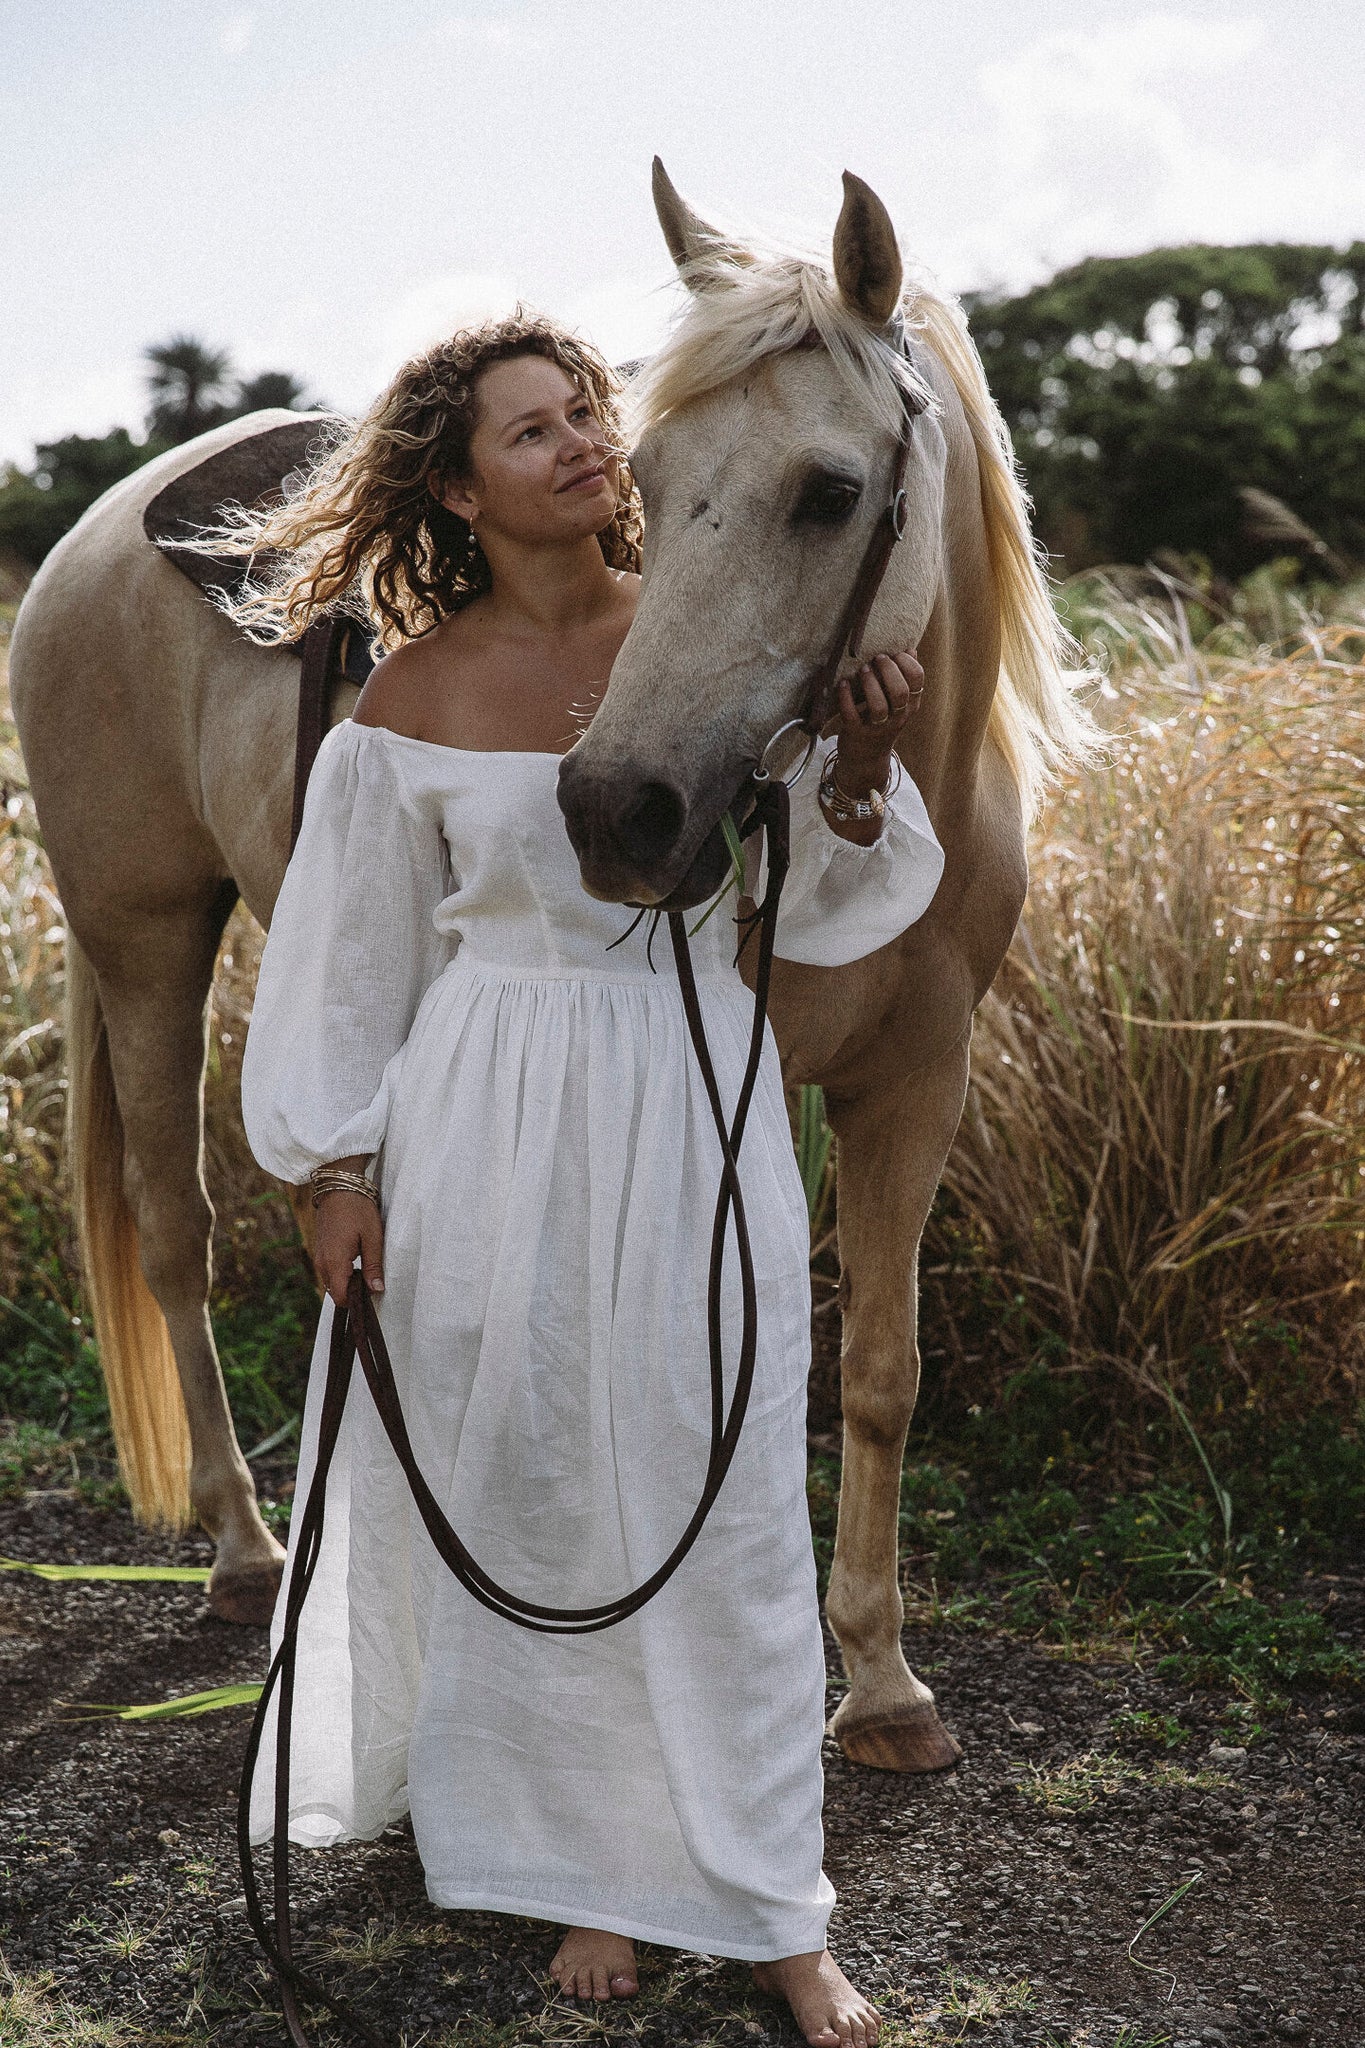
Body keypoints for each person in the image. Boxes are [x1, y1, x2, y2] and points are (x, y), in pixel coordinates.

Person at [233, 310, 944, 2048]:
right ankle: (570, 1870)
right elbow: (348, 958)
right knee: (527, 1479)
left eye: (584, 418)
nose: (581, 448)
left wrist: (855, 764)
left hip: (687, 1094)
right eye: (531, 432)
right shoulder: (404, 697)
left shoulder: (702, 645)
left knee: (727, 1501)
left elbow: (837, 914)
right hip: (479, 1108)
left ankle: (778, 1908)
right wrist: (336, 1166)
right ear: (461, 490)